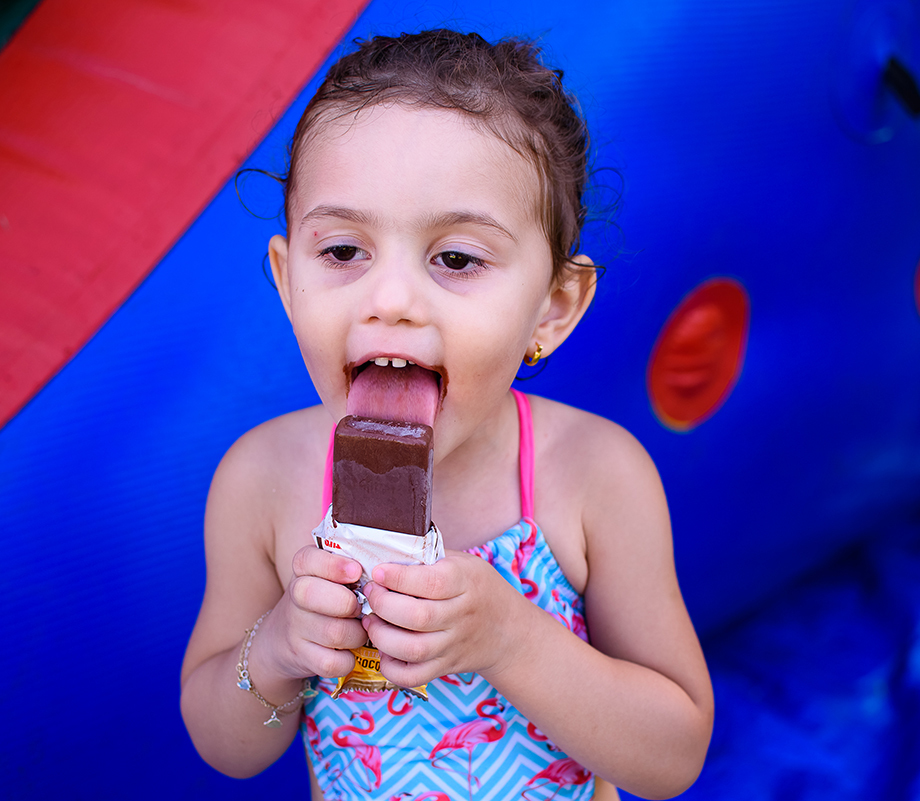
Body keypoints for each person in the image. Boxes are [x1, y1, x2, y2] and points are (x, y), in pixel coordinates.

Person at [180, 29, 713, 801]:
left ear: (552, 308)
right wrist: (279, 649)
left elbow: (672, 757)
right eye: (342, 251)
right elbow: (221, 742)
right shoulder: (259, 483)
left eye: (455, 259)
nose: (389, 300)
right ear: (287, 277)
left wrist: (509, 637)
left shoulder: (596, 477)